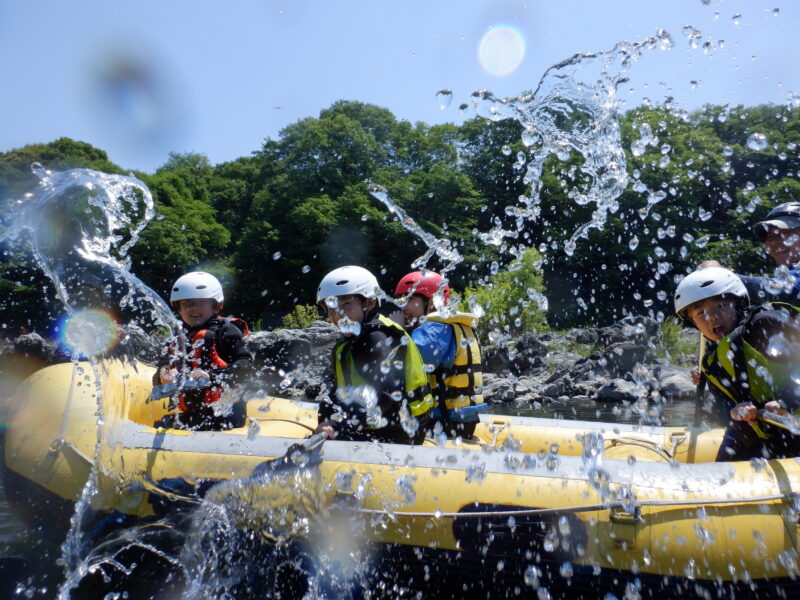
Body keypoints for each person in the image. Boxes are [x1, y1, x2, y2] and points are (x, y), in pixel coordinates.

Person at [674, 266, 800, 461]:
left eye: (720, 306)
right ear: (693, 324)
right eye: (700, 313)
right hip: (756, 434)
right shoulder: (710, 360)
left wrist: (785, 402)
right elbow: (721, 411)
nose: (712, 316)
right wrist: (735, 413)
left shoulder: (765, 325)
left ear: (738, 304)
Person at [314, 266, 434, 444]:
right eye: (330, 307)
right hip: (379, 426)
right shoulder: (354, 339)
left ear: (368, 303)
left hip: (398, 434)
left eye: (346, 304)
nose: (336, 315)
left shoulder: (377, 339)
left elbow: (387, 395)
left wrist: (342, 426)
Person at [153, 271, 252, 430]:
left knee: (168, 425)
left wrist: (211, 376)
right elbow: (163, 366)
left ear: (217, 307)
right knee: (163, 423)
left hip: (227, 413)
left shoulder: (227, 331)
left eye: (200, 303)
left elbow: (245, 366)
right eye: (187, 304)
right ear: (179, 310)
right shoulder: (178, 337)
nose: (193, 308)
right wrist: (163, 374)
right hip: (196, 413)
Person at [394, 270, 486, 439]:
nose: (403, 307)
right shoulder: (453, 326)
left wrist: (395, 331)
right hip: (461, 421)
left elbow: (403, 366)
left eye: (410, 299)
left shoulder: (433, 330)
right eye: (401, 300)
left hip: (443, 423)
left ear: (431, 303)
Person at [700, 202, 800, 303]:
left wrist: (724, 276)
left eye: (784, 233)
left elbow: (787, 291)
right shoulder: (786, 276)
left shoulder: (789, 284)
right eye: (770, 237)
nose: (774, 242)